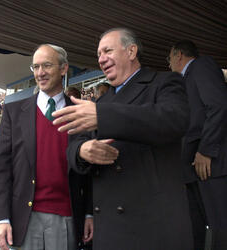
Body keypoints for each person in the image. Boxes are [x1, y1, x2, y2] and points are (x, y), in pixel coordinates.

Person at [52, 28, 193, 250]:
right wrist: (83, 150)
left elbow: (173, 121)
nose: (101, 59)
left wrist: (103, 117)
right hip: (109, 229)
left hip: (153, 228)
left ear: (131, 51)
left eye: (107, 50)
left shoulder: (164, 82)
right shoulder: (100, 103)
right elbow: (72, 148)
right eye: (98, 54)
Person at [0, 44, 93, 250]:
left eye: (46, 65)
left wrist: (89, 212)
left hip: (67, 217)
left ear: (64, 69)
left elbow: (90, 170)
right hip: (24, 220)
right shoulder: (13, 112)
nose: (40, 73)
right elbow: (1, 169)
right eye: (35, 67)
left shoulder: (82, 113)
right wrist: (0, 218)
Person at [168, 40, 227, 250]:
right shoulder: (185, 80)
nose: (169, 64)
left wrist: (206, 150)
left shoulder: (201, 66)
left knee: (221, 227)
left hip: (212, 163)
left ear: (179, 54)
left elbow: (218, 106)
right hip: (193, 167)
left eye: (169, 58)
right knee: (198, 227)